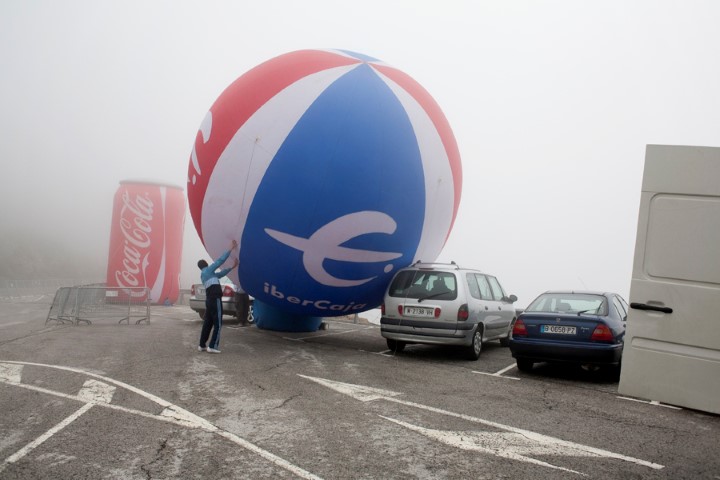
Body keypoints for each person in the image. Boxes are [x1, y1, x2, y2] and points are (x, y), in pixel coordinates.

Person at [197, 240, 238, 353]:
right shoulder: (208, 270)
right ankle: (213, 346)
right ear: (206, 265)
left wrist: (232, 267)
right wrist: (230, 248)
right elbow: (219, 261)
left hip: (209, 301)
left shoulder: (206, 274)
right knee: (218, 323)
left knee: (208, 323)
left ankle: (202, 345)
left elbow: (221, 274)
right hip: (215, 299)